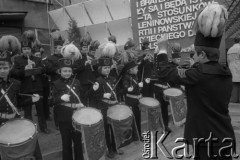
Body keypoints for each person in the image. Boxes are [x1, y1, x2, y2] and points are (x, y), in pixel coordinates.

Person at [157, 3, 235, 159]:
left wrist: (162, 49)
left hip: (205, 139)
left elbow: (166, 73)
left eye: (196, 54)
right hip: (224, 136)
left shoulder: (198, 74)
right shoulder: (225, 73)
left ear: (204, 56)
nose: (194, 57)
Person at [0, 37, 42, 160]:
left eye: (5, 68)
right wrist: (5, 116)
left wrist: (31, 100)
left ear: (10, 68)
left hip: (15, 120)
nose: (2, 71)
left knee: (32, 138)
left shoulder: (16, 83)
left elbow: (19, 102)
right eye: (0, 68)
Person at [11, 30, 49, 134]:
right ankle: (30, 129)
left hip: (37, 87)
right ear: (22, 50)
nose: (26, 51)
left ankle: (43, 127)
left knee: (40, 109)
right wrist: (25, 70)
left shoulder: (37, 59)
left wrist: (35, 67)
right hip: (26, 88)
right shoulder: (17, 60)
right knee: (27, 111)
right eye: (24, 49)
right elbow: (13, 73)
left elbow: (44, 70)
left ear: (31, 49)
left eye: (28, 49)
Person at [52, 58, 84, 160]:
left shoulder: (77, 82)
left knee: (78, 142)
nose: (67, 73)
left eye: (69, 71)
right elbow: (50, 101)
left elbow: (82, 96)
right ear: (59, 71)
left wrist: (93, 89)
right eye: (64, 71)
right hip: (64, 118)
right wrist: (60, 98)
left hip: (77, 116)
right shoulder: (56, 84)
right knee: (66, 144)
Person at [90, 55, 122, 158]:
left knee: (114, 127)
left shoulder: (112, 78)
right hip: (104, 107)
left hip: (113, 106)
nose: (107, 69)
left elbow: (116, 92)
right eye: (105, 68)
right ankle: (109, 149)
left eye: (108, 67)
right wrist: (102, 95)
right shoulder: (98, 80)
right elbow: (93, 96)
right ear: (100, 69)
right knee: (106, 129)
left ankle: (116, 147)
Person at [122, 60, 147, 139]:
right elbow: (127, 89)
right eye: (136, 68)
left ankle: (138, 134)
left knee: (138, 117)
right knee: (134, 119)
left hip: (137, 100)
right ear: (131, 69)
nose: (137, 70)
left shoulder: (135, 76)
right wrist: (136, 86)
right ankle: (136, 135)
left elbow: (136, 90)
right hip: (131, 101)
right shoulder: (126, 77)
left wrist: (141, 86)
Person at [227, 35, 240, 103]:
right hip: (238, 68)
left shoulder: (230, 49)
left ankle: (234, 99)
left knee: (235, 86)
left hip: (231, 68)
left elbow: (228, 61)